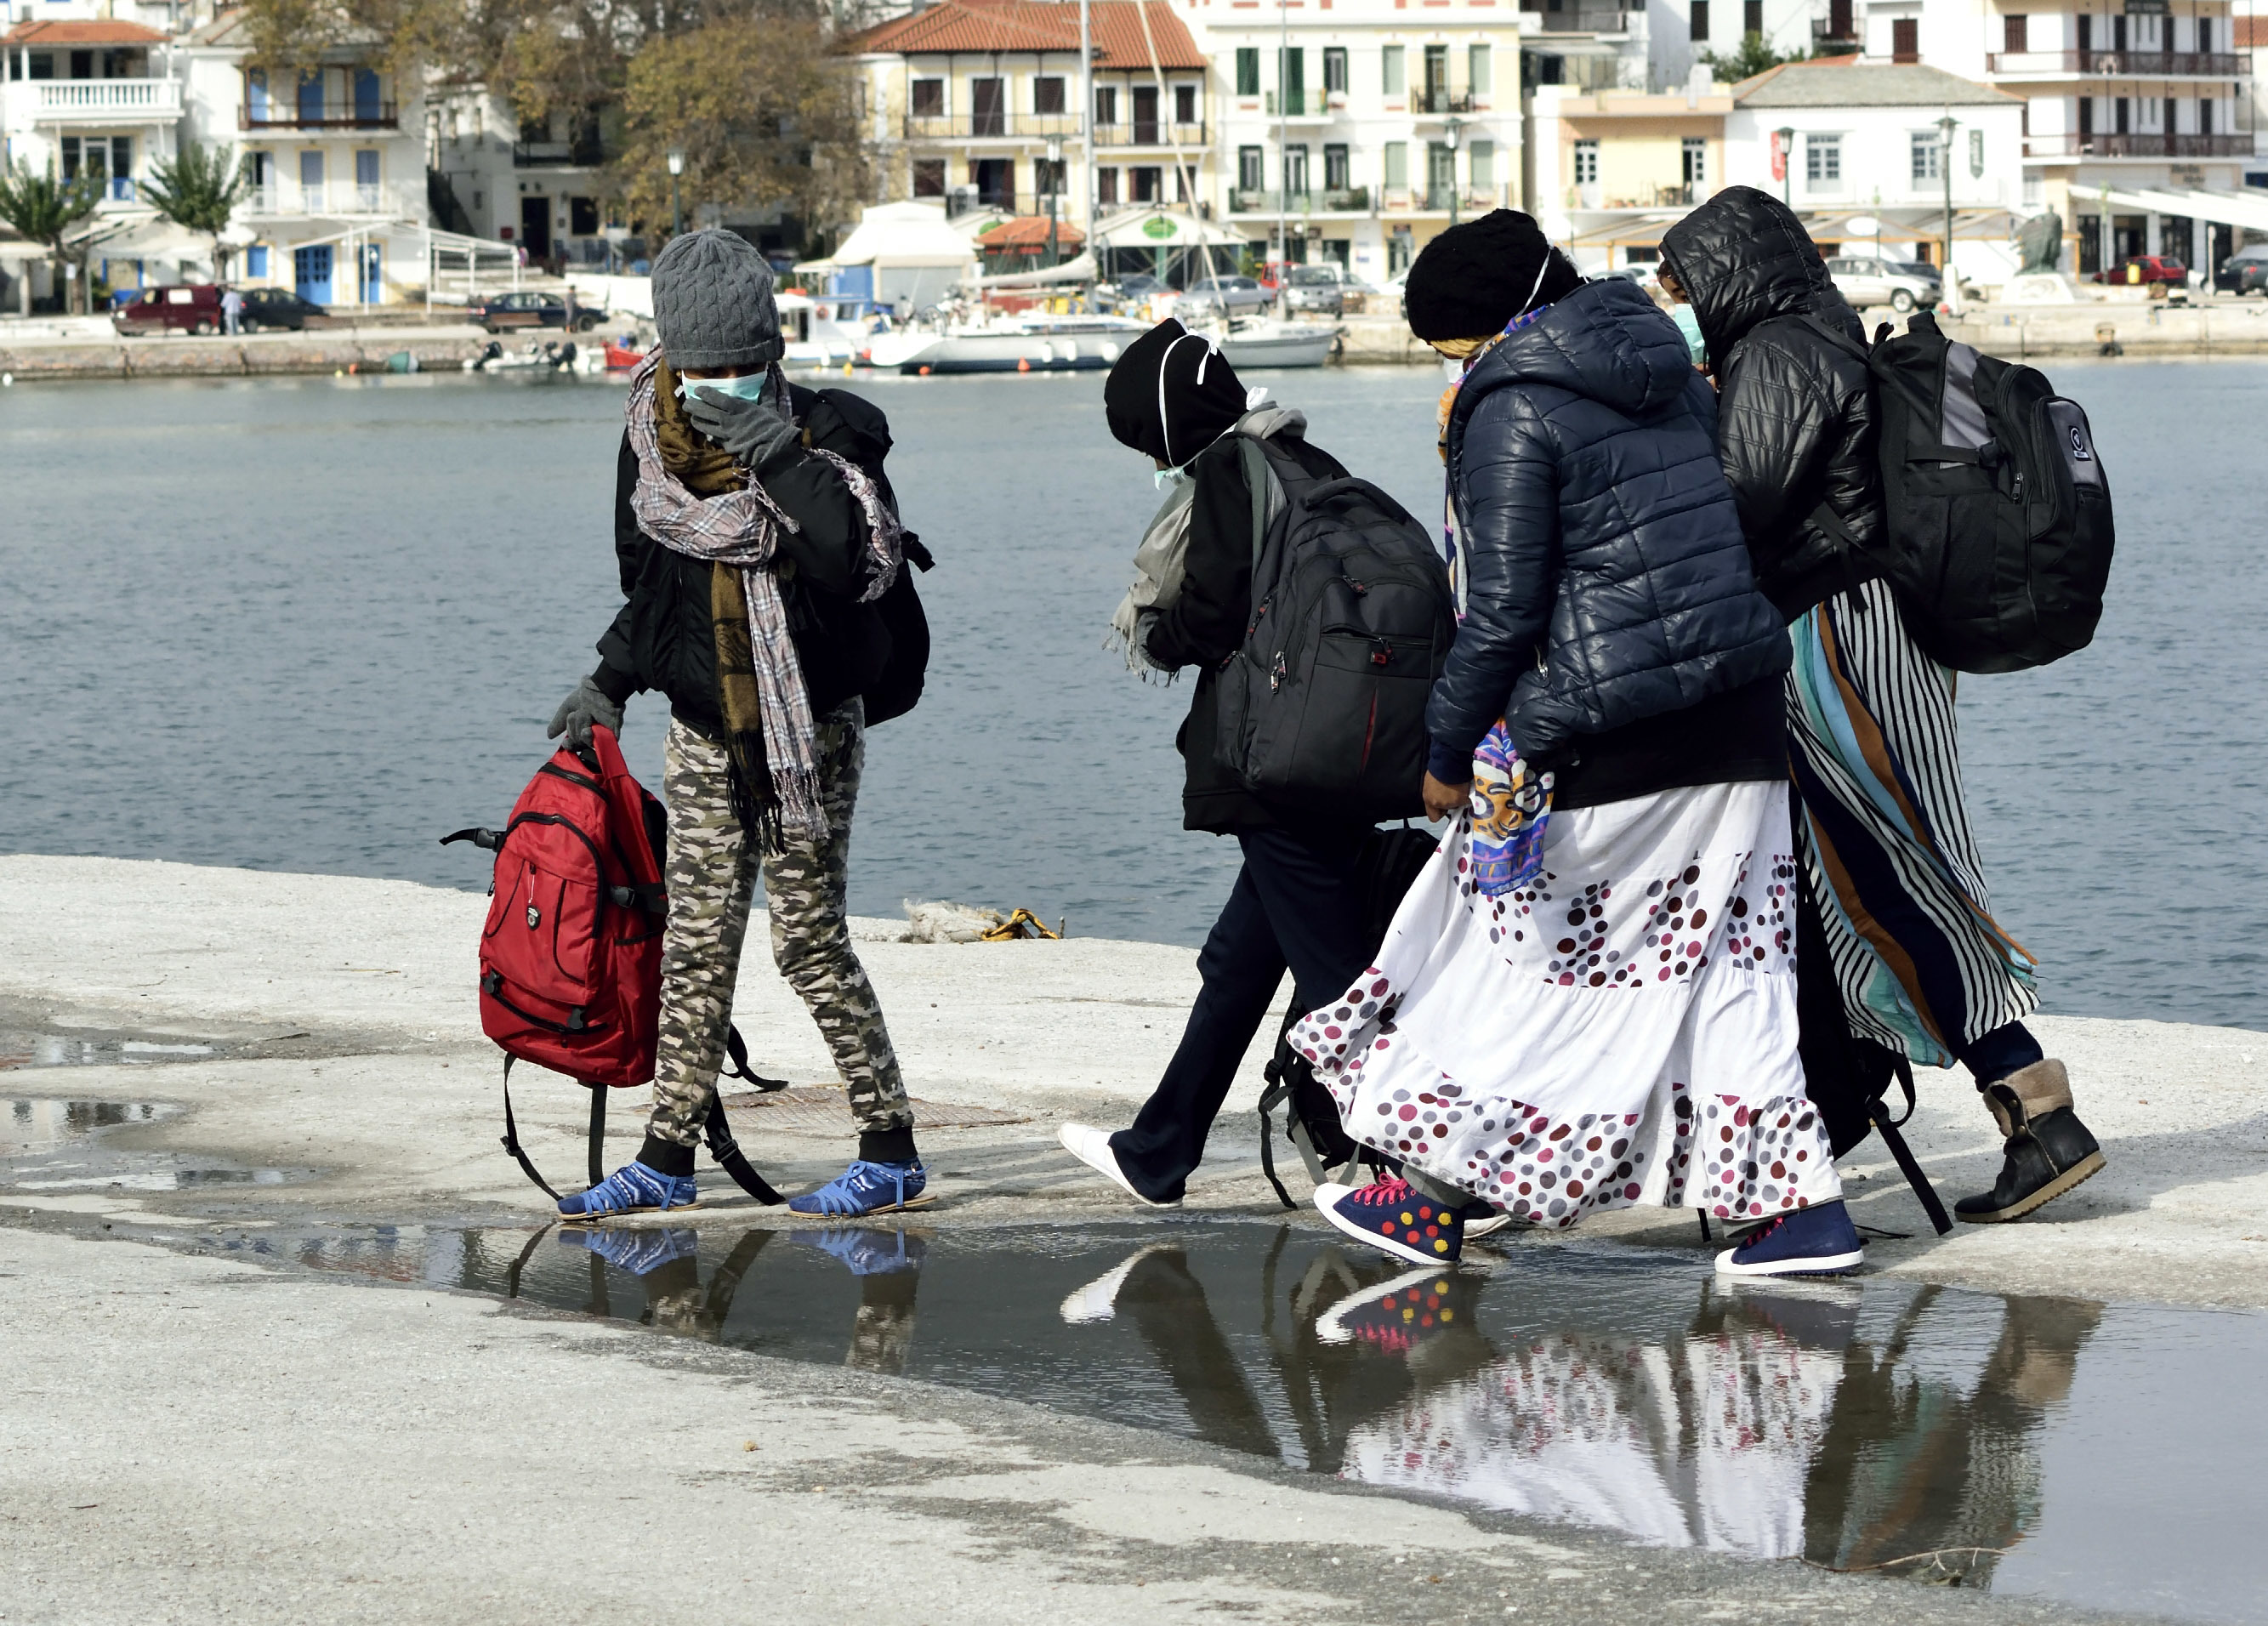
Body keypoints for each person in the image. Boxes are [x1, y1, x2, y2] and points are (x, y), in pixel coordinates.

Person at [1291, 210, 1863, 1277]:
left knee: (1512, 949)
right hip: (1737, 715)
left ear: (1484, 329)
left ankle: (1434, 1196)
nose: (1451, 370)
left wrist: (1447, 754)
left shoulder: (1512, 407)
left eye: (1448, 349)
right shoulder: (1674, 370)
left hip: (1610, 729)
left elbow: (1503, 610)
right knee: (1733, 964)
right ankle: (1802, 1210)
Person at [1657, 188, 2105, 1223]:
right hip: (1847, 622)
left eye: (1681, 279)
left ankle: (2034, 1103)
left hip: (1838, 628)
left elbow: (1746, 497)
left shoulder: (1782, 350)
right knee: (1836, 875)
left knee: (1887, 864)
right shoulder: (1809, 336)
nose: (1671, 298)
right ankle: (1838, 1102)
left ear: (1729, 269)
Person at [546, 227, 927, 1220]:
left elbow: (854, 562)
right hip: (705, 734)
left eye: (743, 367)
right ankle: (666, 1159)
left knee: (807, 941)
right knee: (696, 947)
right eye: (703, 365)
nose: (722, 383)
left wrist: (778, 456)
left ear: (774, 356)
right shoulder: (649, 453)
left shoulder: (833, 437)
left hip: (811, 738)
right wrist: (606, 682)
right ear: (670, 355)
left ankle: (889, 1147)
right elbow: (658, 591)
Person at [1054, 319, 1385, 1208]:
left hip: (1278, 763)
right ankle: (1160, 1150)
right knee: (1240, 962)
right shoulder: (1305, 458)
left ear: (1166, 431)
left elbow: (1211, 607)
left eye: (1146, 445)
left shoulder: (1234, 473)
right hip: (1340, 744)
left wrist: (1160, 633)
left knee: (1337, 978)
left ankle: (1418, 1169)